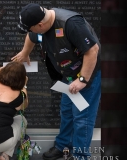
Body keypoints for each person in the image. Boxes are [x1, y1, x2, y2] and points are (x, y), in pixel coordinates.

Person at [11, 3, 101, 160]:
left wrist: (82, 80)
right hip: (68, 75)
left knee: (82, 118)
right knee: (66, 111)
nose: (31, 32)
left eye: (31, 28)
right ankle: (63, 146)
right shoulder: (42, 25)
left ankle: (80, 155)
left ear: (40, 24)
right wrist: (25, 53)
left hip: (85, 75)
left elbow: (92, 50)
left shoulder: (71, 24)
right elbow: (32, 36)